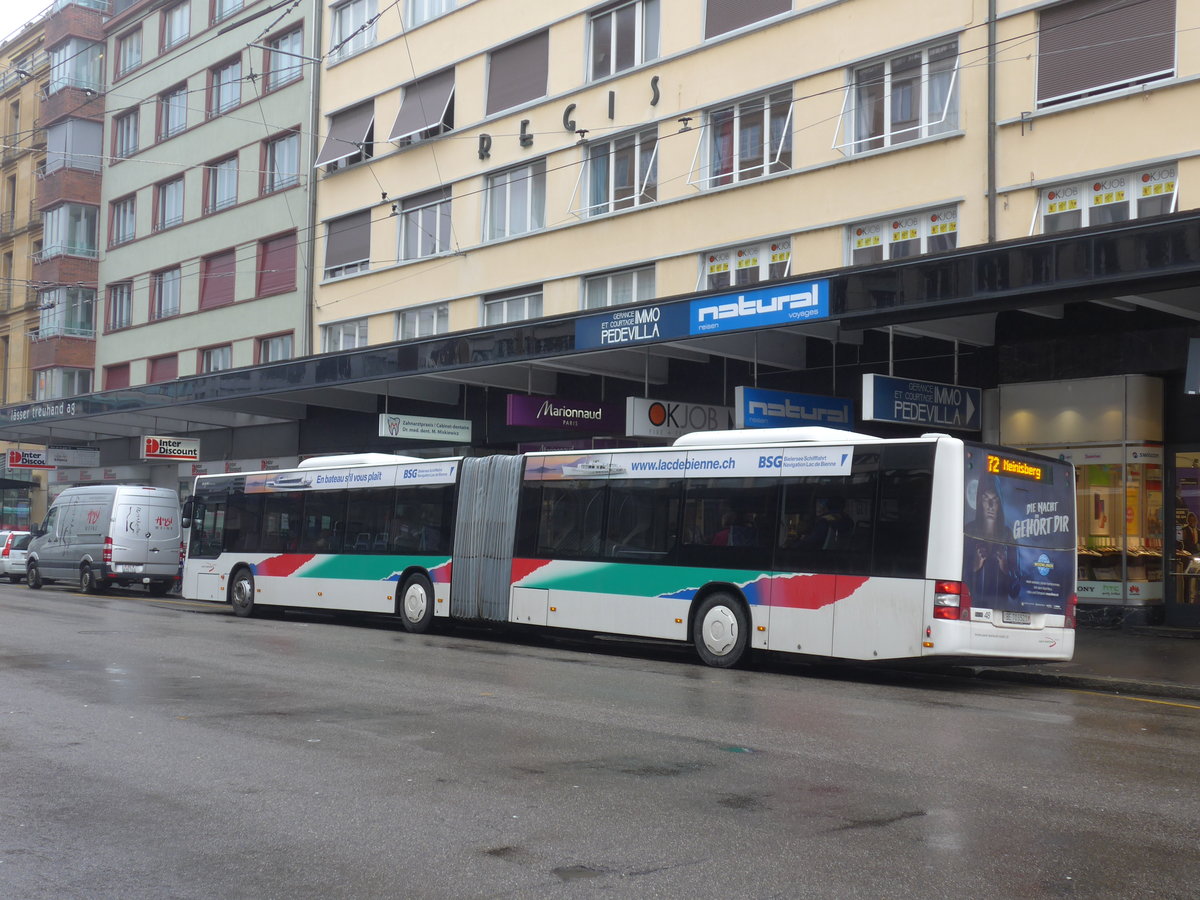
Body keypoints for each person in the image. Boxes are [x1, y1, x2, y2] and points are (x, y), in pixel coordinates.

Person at [964, 472, 1020, 606]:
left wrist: (1005, 568)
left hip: (1000, 609)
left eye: (994, 499)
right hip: (972, 609)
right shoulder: (968, 531)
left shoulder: (1008, 536)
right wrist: (974, 566)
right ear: (979, 501)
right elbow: (953, 577)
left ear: (999, 502)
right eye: (985, 498)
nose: (990, 505)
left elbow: (1016, 590)